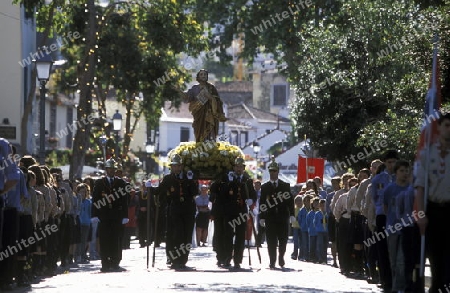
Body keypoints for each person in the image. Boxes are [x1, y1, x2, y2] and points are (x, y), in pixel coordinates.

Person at [415, 112, 450, 293]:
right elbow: (420, 188)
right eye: (447, 125)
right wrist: (421, 215)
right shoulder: (428, 154)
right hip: (434, 211)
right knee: (435, 260)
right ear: (439, 128)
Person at [215, 157, 256, 269]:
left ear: (243, 168)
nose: (239, 169)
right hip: (229, 212)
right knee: (228, 236)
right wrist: (228, 183)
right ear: (234, 168)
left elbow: (253, 194)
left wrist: (251, 200)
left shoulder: (247, 180)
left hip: (241, 212)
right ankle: (227, 257)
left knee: (240, 237)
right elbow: (222, 194)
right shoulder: (228, 178)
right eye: (237, 166)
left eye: (241, 167)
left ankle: (238, 260)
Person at [159, 154, 197, 270]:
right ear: (172, 167)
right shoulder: (168, 178)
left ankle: (183, 260)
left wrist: (191, 181)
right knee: (176, 234)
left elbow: (195, 192)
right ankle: (175, 259)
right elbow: (160, 192)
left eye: (179, 166)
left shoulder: (188, 177)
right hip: (174, 210)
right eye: (174, 166)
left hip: (188, 210)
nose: (177, 168)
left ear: (182, 166)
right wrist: (151, 188)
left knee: (186, 236)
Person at [91, 158, 130, 272]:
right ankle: (105, 263)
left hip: (117, 216)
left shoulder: (121, 183)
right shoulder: (99, 183)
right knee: (104, 240)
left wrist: (125, 215)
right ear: (106, 170)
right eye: (109, 169)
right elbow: (95, 199)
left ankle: (115, 262)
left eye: (113, 169)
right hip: (104, 216)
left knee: (116, 239)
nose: (111, 171)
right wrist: (94, 214)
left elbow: (124, 201)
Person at [259, 159, 295, 269]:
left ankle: (281, 257)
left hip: (282, 216)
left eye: (274, 171)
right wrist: (262, 217)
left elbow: (290, 201)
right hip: (270, 217)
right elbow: (262, 202)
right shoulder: (265, 187)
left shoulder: (285, 186)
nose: (272, 173)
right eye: (270, 171)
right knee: (271, 241)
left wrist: (292, 214)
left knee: (283, 240)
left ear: (278, 171)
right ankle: (272, 260)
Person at [383, 160, 410, 292]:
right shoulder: (390, 189)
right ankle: (395, 284)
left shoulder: (411, 188)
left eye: (406, 171)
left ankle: (398, 288)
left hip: (407, 229)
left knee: (401, 260)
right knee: (393, 261)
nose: (404, 173)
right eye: (401, 171)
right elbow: (385, 207)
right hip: (392, 228)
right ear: (396, 172)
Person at [180, 69, 227, 142]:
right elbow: (187, 97)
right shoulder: (195, 88)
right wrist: (178, 91)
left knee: (210, 134)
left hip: (209, 115)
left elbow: (218, 101)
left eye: (205, 74)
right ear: (198, 77)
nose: (203, 76)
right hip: (198, 115)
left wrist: (210, 97)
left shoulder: (211, 88)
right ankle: (199, 147)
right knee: (198, 133)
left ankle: (210, 147)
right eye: (201, 74)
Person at [291, 195, 303, 260]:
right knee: (296, 242)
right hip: (295, 227)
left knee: (302, 241)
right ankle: (295, 254)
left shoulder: (303, 210)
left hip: (302, 228)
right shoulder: (294, 210)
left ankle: (301, 255)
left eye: (300, 201)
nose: (299, 202)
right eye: (297, 201)